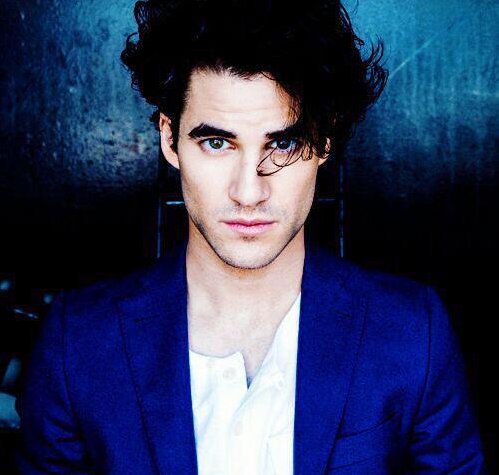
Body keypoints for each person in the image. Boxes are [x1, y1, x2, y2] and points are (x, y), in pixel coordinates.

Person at [15, 0, 486, 473]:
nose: (248, 192)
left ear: (324, 141)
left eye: (283, 143)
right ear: (169, 139)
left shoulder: (412, 334)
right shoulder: (78, 344)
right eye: (217, 142)